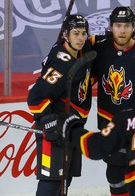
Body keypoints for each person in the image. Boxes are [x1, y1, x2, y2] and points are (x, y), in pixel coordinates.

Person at [84, 6, 135, 196]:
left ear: (133, 27)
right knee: (114, 174)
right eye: (118, 25)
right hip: (109, 122)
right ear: (111, 27)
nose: (122, 30)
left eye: (126, 26)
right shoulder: (98, 46)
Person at [27, 14, 95, 196]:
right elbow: (35, 97)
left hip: (72, 126)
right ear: (66, 35)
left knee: (65, 181)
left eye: (83, 33)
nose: (81, 38)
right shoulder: (60, 64)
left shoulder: (83, 49)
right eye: (75, 33)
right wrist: (48, 121)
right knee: (51, 182)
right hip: (55, 129)